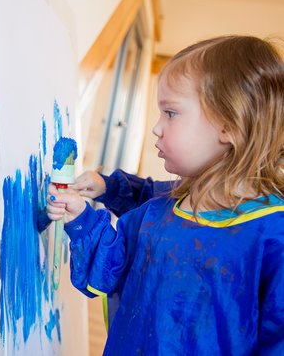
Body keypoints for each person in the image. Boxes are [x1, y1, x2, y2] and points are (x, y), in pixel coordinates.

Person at [47, 35, 284, 355]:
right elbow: (104, 273)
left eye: (170, 113)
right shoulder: (155, 213)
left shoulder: (273, 236)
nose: (156, 128)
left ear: (229, 125)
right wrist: (81, 217)